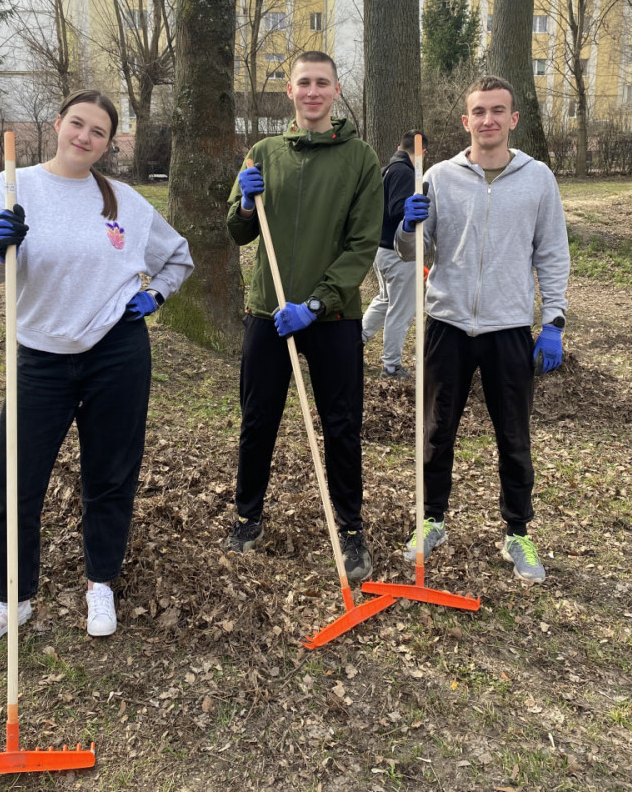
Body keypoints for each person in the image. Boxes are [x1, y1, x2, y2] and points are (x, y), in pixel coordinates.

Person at [0, 89, 193, 651]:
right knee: (11, 480)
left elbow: (177, 255)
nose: (84, 137)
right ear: (58, 123)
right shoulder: (16, 188)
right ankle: (11, 596)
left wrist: (154, 297)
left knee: (109, 473)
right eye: (77, 124)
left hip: (116, 354)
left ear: (109, 145)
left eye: (98, 132)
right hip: (39, 356)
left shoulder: (125, 202)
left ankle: (100, 582)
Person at [395, 76, 569, 585]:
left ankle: (517, 531)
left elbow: (553, 254)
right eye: (479, 112)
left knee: (513, 436)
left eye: (498, 111)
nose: (488, 120)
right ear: (465, 121)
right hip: (446, 324)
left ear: (513, 119)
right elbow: (415, 255)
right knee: (434, 432)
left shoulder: (538, 179)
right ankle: (431, 520)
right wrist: (408, 227)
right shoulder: (441, 177)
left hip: (509, 328)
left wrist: (553, 321)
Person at [224, 51, 383, 581]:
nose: (312, 91)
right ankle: (248, 518)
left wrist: (316, 304)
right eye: (303, 83)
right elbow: (238, 230)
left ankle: (351, 530)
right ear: (290, 91)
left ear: (336, 91)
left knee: (341, 424)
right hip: (266, 312)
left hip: (332, 319)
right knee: (258, 419)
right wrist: (245, 204)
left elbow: (363, 244)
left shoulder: (360, 158)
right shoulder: (263, 152)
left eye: (322, 83)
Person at [362, 130, 427, 379]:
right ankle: (391, 366)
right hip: (397, 252)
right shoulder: (402, 171)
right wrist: (420, 199)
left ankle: (357, 340)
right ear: (423, 152)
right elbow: (397, 209)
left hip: (383, 249)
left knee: (385, 300)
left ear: (400, 145)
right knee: (401, 308)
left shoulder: (389, 168)